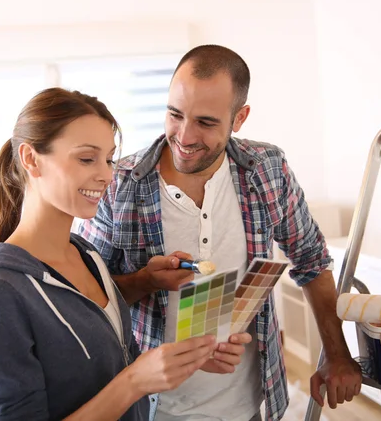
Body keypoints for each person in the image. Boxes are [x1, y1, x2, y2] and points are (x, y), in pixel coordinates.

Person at [79, 45, 363, 421]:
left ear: (240, 117)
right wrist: (146, 280)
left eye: (206, 122)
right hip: (150, 410)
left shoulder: (268, 170)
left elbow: (311, 259)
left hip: (248, 407)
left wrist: (338, 353)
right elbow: (88, 301)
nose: (184, 135)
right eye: (175, 114)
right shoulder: (119, 184)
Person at [0, 88, 218, 421]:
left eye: (109, 159)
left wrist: (149, 286)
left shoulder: (86, 254)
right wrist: (135, 381)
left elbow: (93, 333)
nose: (107, 174)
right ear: (30, 160)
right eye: (87, 158)